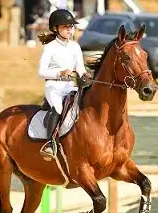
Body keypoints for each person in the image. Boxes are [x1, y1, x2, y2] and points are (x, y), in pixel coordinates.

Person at [37, 9, 90, 161]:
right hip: (53, 86)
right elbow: (41, 71)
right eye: (65, 26)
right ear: (56, 28)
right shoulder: (50, 47)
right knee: (59, 108)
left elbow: (80, 69)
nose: (69, 29)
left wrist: (86, 75)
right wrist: (60, 73)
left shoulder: (75, 47)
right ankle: (50, 144)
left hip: (70, 85)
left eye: (71, 26)